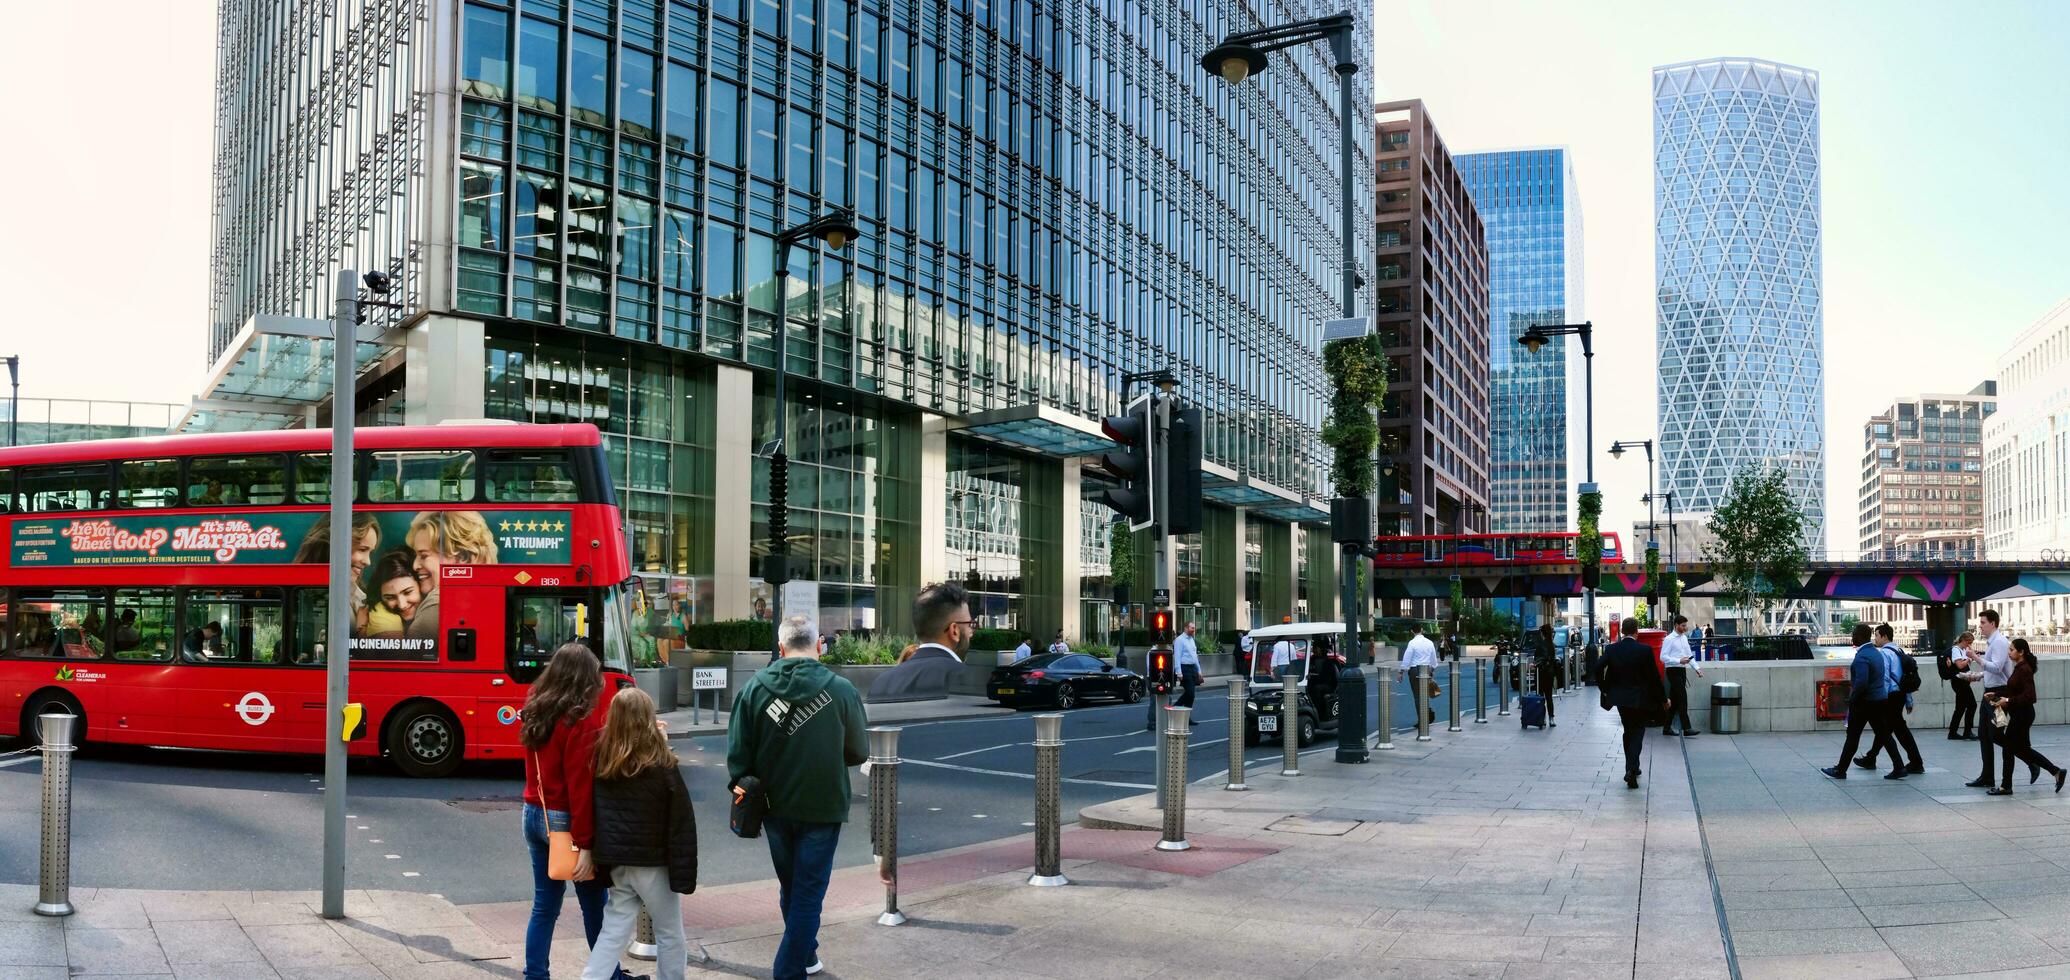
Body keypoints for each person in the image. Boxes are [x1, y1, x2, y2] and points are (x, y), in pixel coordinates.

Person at [728, 617, 869, 980]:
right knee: (808, 893)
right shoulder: (841, 690)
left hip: (773, 807)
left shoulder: (754, 689)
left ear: (781, 649)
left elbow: (738, 759)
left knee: (792, 886)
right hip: (823, 805)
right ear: (818, 645)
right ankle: (788, 971)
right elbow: (857, 751)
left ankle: (806, 955)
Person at [519, 643, 630, 980]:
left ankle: (535, 974)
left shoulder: (536, 706)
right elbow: (580, 787)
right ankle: (608, 974)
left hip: (533, 811)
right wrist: (585, 844)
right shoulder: (578, 720)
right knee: (594, 903)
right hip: (564, 820)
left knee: (544, 905)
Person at [582, 688, 698, 980]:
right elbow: (681, 820)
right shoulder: (662, 764)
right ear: (648, 718)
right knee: (670, 933)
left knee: (612, 931)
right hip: (653, 864)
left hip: (617, 862)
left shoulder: (602, 759)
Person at [1982, 638, 2066, 795]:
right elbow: (2014, 690)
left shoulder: (2024, 669)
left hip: (2023, 715)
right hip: (2021, 714)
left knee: (2008, 749)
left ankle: (2006, 786)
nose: (2009, 652)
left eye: (2012, 650)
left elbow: (2030, 696)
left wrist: (2008, 701)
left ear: (2021, 652)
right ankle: (2056, 772)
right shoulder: (2019, 667)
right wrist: (1997, 694)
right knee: (2024, 750)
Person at [866, 583, 972, 702]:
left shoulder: (882, 682)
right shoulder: (967, 679)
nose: (971, 632)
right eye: (969, 625)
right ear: (954, 631)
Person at [407, 510, 500, 642]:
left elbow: (411, 660)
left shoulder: (436, 606)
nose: (415, 565)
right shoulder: (489, 597)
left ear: (463, 557)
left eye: (424, 555)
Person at [1599, 617, 1669, 789]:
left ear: (1622, 631)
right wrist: (1663, 699)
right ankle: (1632, 768)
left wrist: (1605, 688)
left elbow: (1597, 667)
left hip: (1620, 699)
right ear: (1636, 632)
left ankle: (1633, 767)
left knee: (1628, 731)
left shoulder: (1612, 649)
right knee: (1638, 732)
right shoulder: (1644, 650)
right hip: (1640, 699)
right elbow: (1654, 677)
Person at [1823, 624, 1895, 780]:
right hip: (1878, 700)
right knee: (1883, 735)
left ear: (1861, 636)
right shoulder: (1875, 653)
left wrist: (1853, 698)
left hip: (1864, 703)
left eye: (1854, 634)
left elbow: (1861, 682)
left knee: (1853, 736)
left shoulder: (1863, 656)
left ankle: (1840, 770)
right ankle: (1899, 766)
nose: (1852, 637)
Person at [1855, 623, 1923, 778]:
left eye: (1877, 635)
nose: (1875, 639)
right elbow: (1904, 677)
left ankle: (1914, 762)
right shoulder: (1898, 650)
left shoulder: (1885, 653)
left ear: (1884, 636)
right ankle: (1872, 758)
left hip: (1890, 696)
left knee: (1888, 730)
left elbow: (1885, 679)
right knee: (1890, 729)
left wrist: (1880, 698)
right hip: (1899, 695)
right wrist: (1908, 699)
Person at [1964, 610, 2015, 789]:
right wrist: (1977, 676)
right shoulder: (1992, 642)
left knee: (1995, 735)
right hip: (1990, 692)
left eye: (1983, 622)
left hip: (1998, 694)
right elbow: (1991, 671)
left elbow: (1997, 668)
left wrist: (1975, 658)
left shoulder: (2000, 642)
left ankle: (2028, 758)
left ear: (1993, 623)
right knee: (1984, 736)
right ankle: (1987, 777)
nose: (1980, 626)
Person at [1659, 616, 1703, 737]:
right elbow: (1662, 657)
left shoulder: (1684, 638)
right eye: (1683, 625)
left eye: (1685, 625)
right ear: (1676, 625)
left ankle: (1666, 728)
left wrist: (1697, 669)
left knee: (1674, 700)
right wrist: (1678, 660)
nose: (1685, 628)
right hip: (1672, 670)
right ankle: (1687, 728)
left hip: (1682, 671)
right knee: (1682, 698)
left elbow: (1689, 656)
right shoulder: (1669, 639)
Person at [366, 551, 422, 638]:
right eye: (390, 597)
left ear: (420, 584)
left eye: (407, 592)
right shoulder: (380, 613)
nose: (402, 605)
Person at [1942, 631, 1978, 740]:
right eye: (1968, 642)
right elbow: (1960, 665)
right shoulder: (1956, 650)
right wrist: (1969, 658)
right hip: (1959, 682)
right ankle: (1967, 731)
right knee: (1972, 705)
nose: (1969, 645)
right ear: (1963, 640)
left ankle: (1952, 732)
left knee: (1960, 707)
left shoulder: (1962, 650)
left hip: (1961, 681)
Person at [1400, 625, 1439, 725]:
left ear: (1412, 631)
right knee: (1424, 695)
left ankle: (1422, 720)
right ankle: (1427, 713)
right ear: (1422, 630)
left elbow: (1407, 658)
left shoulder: (1412, 643)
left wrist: (1401, 672)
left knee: (1418, 697)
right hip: (1426, 670)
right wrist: (1431, 671)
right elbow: (1434, 661)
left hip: (1415, 670)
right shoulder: (1429, 642)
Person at [1533, 623, 1560, 728]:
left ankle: (1542, 718)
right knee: (1549, 697)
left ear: (1542, 633)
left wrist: (1535, 664)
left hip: (1541, 673)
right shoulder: (1552, 645)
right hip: (1549, 673)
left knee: (1540, 696)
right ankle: (1551, 718)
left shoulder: (1540, 645)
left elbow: (1538, 659)